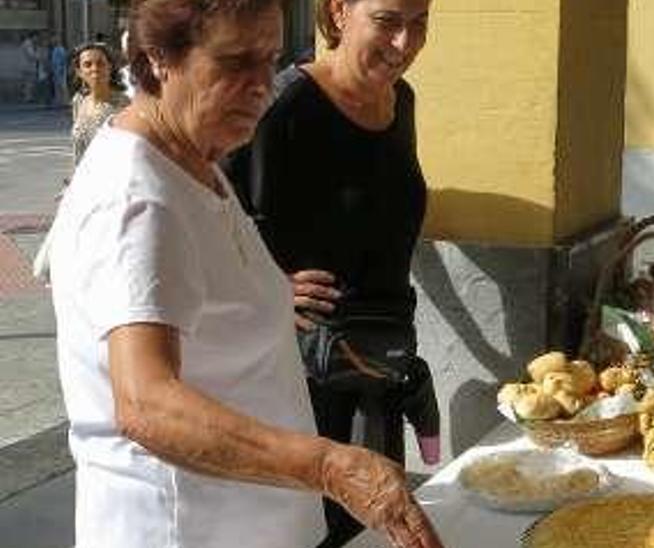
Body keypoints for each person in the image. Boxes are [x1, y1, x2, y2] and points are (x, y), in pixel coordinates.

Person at [44, 0, 443, 546]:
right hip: (183, 529)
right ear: (160, 58)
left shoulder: (195, 157)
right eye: (235, 62)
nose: (263, 85)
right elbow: (145, 404)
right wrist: (328, 466)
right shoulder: (136, 200)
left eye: (270, 58)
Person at [223, 0, 437, 544]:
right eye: (388, 21)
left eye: (419, 24)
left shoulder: (401, 101)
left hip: (378, 363)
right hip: (300, 377)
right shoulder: (284, 107)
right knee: (310, 530)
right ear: (339, 11)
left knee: (371, 527)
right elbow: (200, 212)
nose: (403, 44)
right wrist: (265, 285)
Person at [68, 43, 129, 166]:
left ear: (110, 67)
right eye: (87, 65)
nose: (94, 68)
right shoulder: (78, 101)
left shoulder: (124, 105)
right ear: (79, 72)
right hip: (84, 179)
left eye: (100, 63)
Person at [50, 40, 68, 106]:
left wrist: (62, 69)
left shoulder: (60, 49)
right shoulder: (55, 49)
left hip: (60, 70)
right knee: (57, 86)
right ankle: (59, 100)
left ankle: (64, 101)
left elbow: (63, 60)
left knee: (62, 86)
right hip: (56, 70)